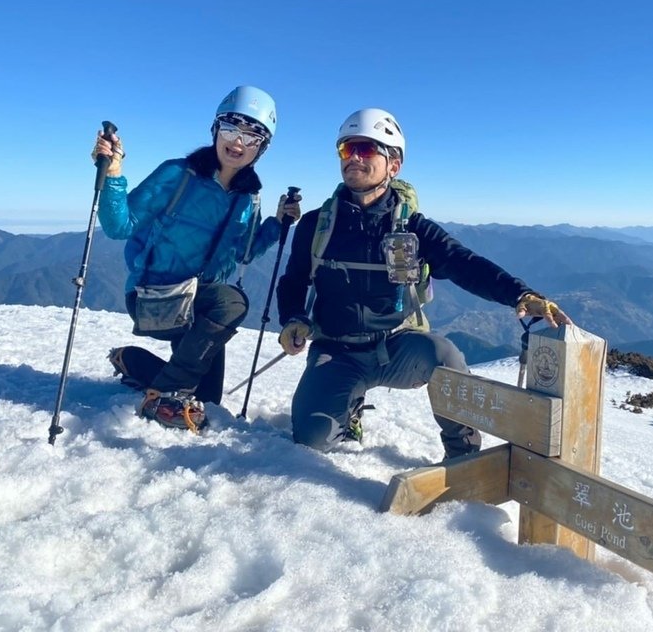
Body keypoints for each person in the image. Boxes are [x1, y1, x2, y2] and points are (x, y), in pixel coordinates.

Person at [275, 108, 569, 459]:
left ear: (393, 165)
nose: (353, 157)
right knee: (310, 439)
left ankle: (464, 454)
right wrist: (292, 317)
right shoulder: (315, 225)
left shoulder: (413, 228)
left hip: (398, 347)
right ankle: (349, 409)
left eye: (367, 150)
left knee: (445, 356)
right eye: (346, 149)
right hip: (336, 351)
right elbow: (293, 279)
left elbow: (464, 263)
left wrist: (519, 293)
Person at [94, 85, 301, 432]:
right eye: (231, 129)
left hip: (198, 304)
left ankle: (130, 361)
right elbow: (119, 225)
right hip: (155, 296)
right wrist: (113, 172)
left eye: (252, 137)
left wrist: (278, 223)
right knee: (233, 302)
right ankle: (164, 394)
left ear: (261, 148)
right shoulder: (177, 174)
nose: (238, 143)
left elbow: (244, 251)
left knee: (208, 399)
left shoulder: (247, 196)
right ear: (215, 129)